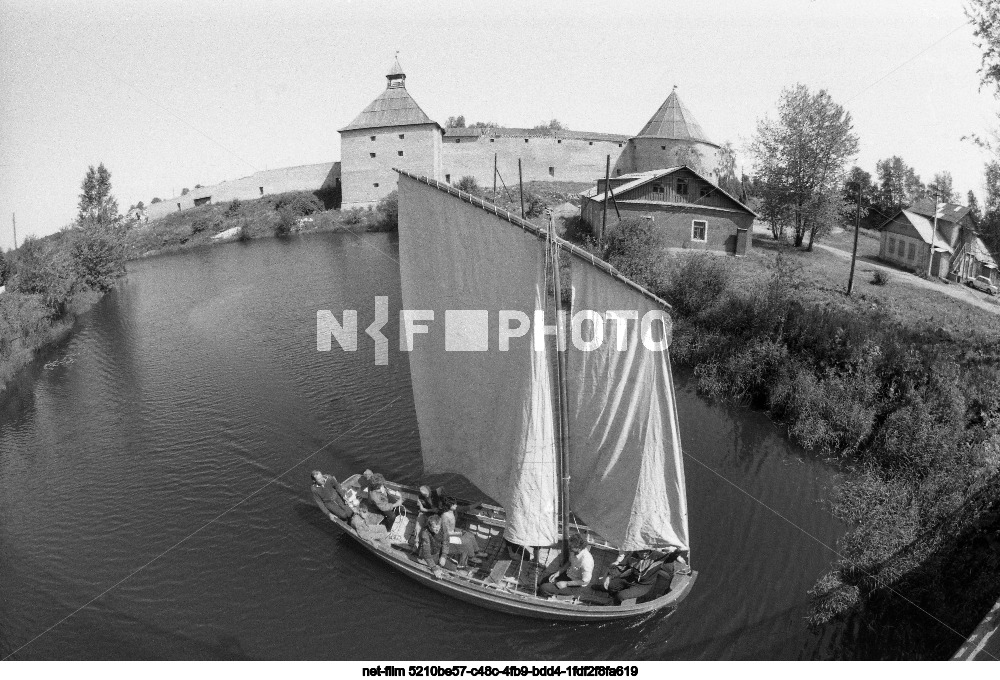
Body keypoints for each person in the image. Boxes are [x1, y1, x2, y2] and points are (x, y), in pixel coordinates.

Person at [592, 549, 669, 603]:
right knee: (610, 585)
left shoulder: (658, 556)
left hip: (643, 585)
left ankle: (614, 603)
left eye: (646, 553)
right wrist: (609, 577)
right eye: (641, 553)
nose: (644, 555)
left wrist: (677, 552)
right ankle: (605, 589)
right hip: (631, 577)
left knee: (620, 596)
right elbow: (621, 567)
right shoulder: (632, 555)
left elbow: (671, 557)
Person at [439, 496, 486, 567]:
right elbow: (447, 533)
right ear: (449, 505)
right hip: (447, 536)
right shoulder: (445, 516)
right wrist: (460, 533)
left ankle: (476, 552)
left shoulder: (453, 510)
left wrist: (479, 503)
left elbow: (467, 508)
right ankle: (471, 557)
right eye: (454, 504)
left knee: (471, 536)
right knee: (467, 541)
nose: (456, 505)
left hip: (453, 530)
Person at [418, 514, 455, 579]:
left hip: (438, 550)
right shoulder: (425, 533)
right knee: (437, 567)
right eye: (434, 527)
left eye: (438, 527)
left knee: (453, 567)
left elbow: (446, 542)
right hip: (431, 553)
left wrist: (443, 556)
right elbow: (426, 553)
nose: (437, 529)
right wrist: (434, 569)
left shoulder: (443, 527)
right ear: (429, 527)